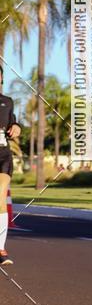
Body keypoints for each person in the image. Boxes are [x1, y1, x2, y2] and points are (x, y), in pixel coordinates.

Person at [0, 65, 22, 266]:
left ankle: (0, 249)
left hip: (3, 156)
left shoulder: (7, 102)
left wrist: (16, 127)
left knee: (0, 195)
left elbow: (13, 123)